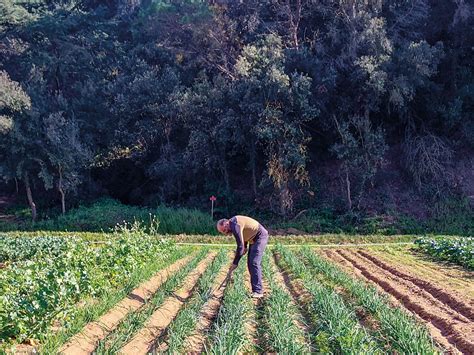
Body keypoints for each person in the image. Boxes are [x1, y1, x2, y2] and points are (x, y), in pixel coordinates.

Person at [216, 215, 269, 298]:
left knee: (254, 263)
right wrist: (245, 246)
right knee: (250, 263)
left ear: (226, 223)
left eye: (224, 230)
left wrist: (235, 263)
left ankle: (258, 291)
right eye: (223, 232)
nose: (225, 233)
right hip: (253, 238)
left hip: (259, 236)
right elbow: (243, 235)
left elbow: (239, 246)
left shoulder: (234, 225)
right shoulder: (233, 224)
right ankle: (256, 290)